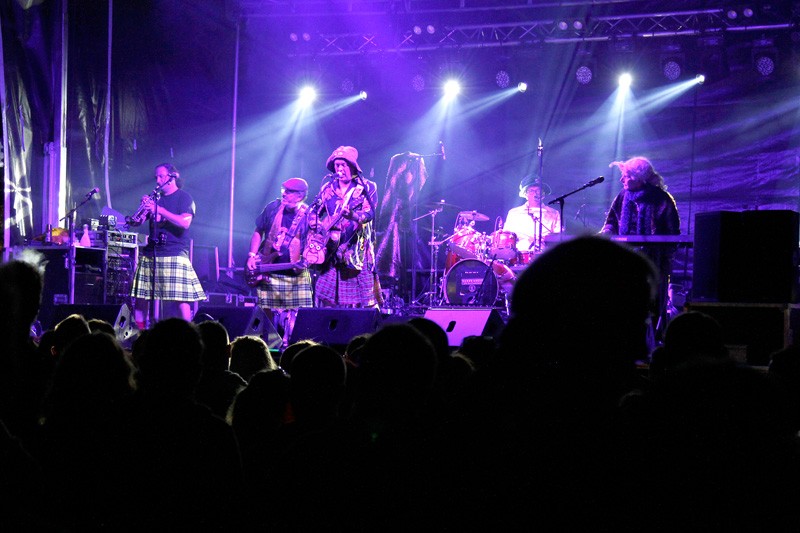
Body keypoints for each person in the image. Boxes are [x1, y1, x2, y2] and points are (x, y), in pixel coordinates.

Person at [600, 156, 680, 339]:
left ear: (640, 177)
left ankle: (650, 346)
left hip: (653, 264)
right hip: (624, 261)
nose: (622, 180)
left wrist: (663, 257)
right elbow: (611, 221)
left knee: (650, 305)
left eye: (627, 176)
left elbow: (672, 232)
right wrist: (605, 234)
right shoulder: (622, 196)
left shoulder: (661, 199)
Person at [130, 163, 206, 326]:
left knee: (180, 298)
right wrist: (143, 208)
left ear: (172, 177)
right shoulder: (155, 199)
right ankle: (140, 336)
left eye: (161, 176)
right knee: (141, 298)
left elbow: (185, 222)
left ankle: (188, 334)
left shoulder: (184, 197)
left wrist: (159, 210)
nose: (157, 180)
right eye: (156, 177)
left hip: (175, 252)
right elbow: (137, 222)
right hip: (152, 252)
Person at [309, 146, 381, 308]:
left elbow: (370, 214)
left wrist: (353, 216)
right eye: (337, 165)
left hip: (356, 249)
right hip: (330, 249)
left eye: (343, 165)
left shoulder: (367, 187)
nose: (340, 168)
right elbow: (314, 210)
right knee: (327, 299)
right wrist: (314, 222)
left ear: (352, 166)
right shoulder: (328, 188)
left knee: (363, 301)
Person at [246, 177, 313, 345]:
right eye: (283, 189)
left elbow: (313, 242)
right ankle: (268, 345)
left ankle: (292, 346)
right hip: (268, 270)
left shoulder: (308, 214)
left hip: (294, 272)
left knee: (297, 315)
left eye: (289, 191)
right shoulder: (272, 207)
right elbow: (258, 231)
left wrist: (307, 258)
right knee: (266, 313)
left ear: (300, 195)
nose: (284, 193)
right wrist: (252, 255)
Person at [503, 175, 561, 256]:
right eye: (531, 191)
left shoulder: (554, 213)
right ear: (525, 194)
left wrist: (547, 239)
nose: (535, 194)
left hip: (545, 256)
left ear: (543, 194)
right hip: (519, 255)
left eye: (538, 191)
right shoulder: (514, 213)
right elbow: (507, 236)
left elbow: (559, 236)